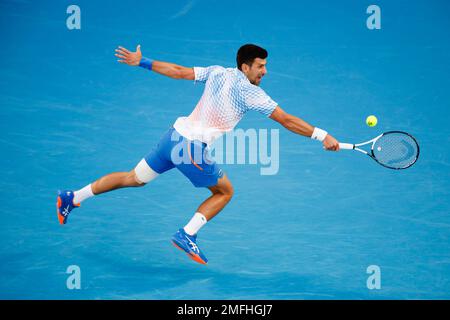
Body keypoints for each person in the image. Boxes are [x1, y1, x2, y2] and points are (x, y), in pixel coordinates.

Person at [56, 44, 340, 265]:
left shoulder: (217, 71)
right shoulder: (251, 93)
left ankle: (73, 197)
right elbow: (287, 120)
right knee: (225, 192)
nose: (264, 71)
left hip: (172, 138)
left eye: (265, 66)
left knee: (134, 178)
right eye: (260, 66)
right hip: (189, 149)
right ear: (245, 67)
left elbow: (179, 71)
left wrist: (141, 61)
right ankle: (187, 234)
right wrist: (321, 135)